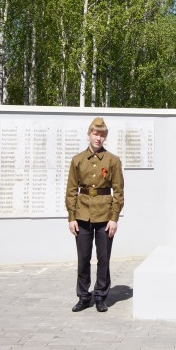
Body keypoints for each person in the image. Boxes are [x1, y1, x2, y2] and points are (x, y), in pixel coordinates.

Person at [65, 117, 124, 313]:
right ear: (89, 134)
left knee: (103, 258)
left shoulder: (112, 160)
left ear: (105, 137)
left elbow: (118, 192)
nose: (98, 138)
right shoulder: (78, 160)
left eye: (102, 135)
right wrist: (72, 217)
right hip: (82, 215)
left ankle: (100, 296)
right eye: (95, 134)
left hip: (105, 216)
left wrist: (114, 218)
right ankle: (83, 296)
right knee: (83, 258)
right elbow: (71, 191)